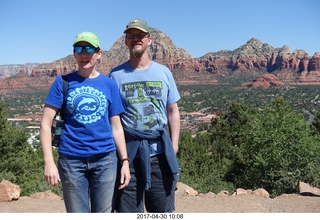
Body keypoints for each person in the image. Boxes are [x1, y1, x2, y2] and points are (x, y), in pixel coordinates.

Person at [40, 31, 130, 213]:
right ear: (74, 53)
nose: (84, 53)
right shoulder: (62, 82)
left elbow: (116, 127)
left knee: (103, 213)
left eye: (89, 49)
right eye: (79, 49)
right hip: (71, 160)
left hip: (105, 159)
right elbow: (45, 123)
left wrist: (125, 161)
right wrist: (48, 161)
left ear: (99, 53)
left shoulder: (109, 84)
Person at [109, 19, 181, 213]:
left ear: (149, 40)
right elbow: (112, 118)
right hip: (129, 157)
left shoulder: (163, 72)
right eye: (131, 36)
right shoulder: (115, 75)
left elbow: (173, 111)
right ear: (125, 41)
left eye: (140, 35)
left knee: (163, 212)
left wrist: (174, 145)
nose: (135, 39)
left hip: (160, 154)